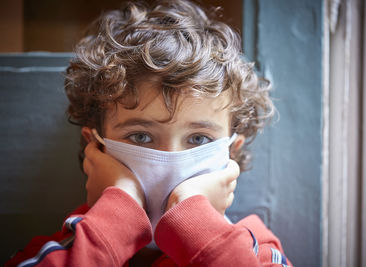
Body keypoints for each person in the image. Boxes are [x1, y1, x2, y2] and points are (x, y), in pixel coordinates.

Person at [6, 0, 292, 266]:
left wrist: (195, 223)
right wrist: (115, 219)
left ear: (232, 153)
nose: (170, 159)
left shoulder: (258, 249)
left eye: (199, 139)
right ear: (95, 148)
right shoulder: (59, 253)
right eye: (141, 136)